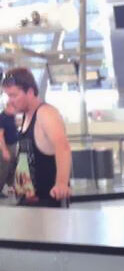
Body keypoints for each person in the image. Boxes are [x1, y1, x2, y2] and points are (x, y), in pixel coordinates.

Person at [1, 67, 71, 207]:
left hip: (48, 203)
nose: (11, 101)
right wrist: (22, 186)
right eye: (8, 96)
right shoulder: (25, 116)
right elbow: (27, 157)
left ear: (31, 92)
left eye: (14, 95)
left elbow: (62, 147)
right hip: (30, 202)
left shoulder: (46, 114)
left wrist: (61, 184)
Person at [0, 100, 18, 192]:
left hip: (13, 144)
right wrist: (4, 150)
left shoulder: (12, 116)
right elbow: (0, 136)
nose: (15, 110)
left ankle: (10, 185)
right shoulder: (2, 117)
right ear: (8, 107)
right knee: (4, 168)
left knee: (12, 166)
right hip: (5, 145)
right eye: (14, 108)